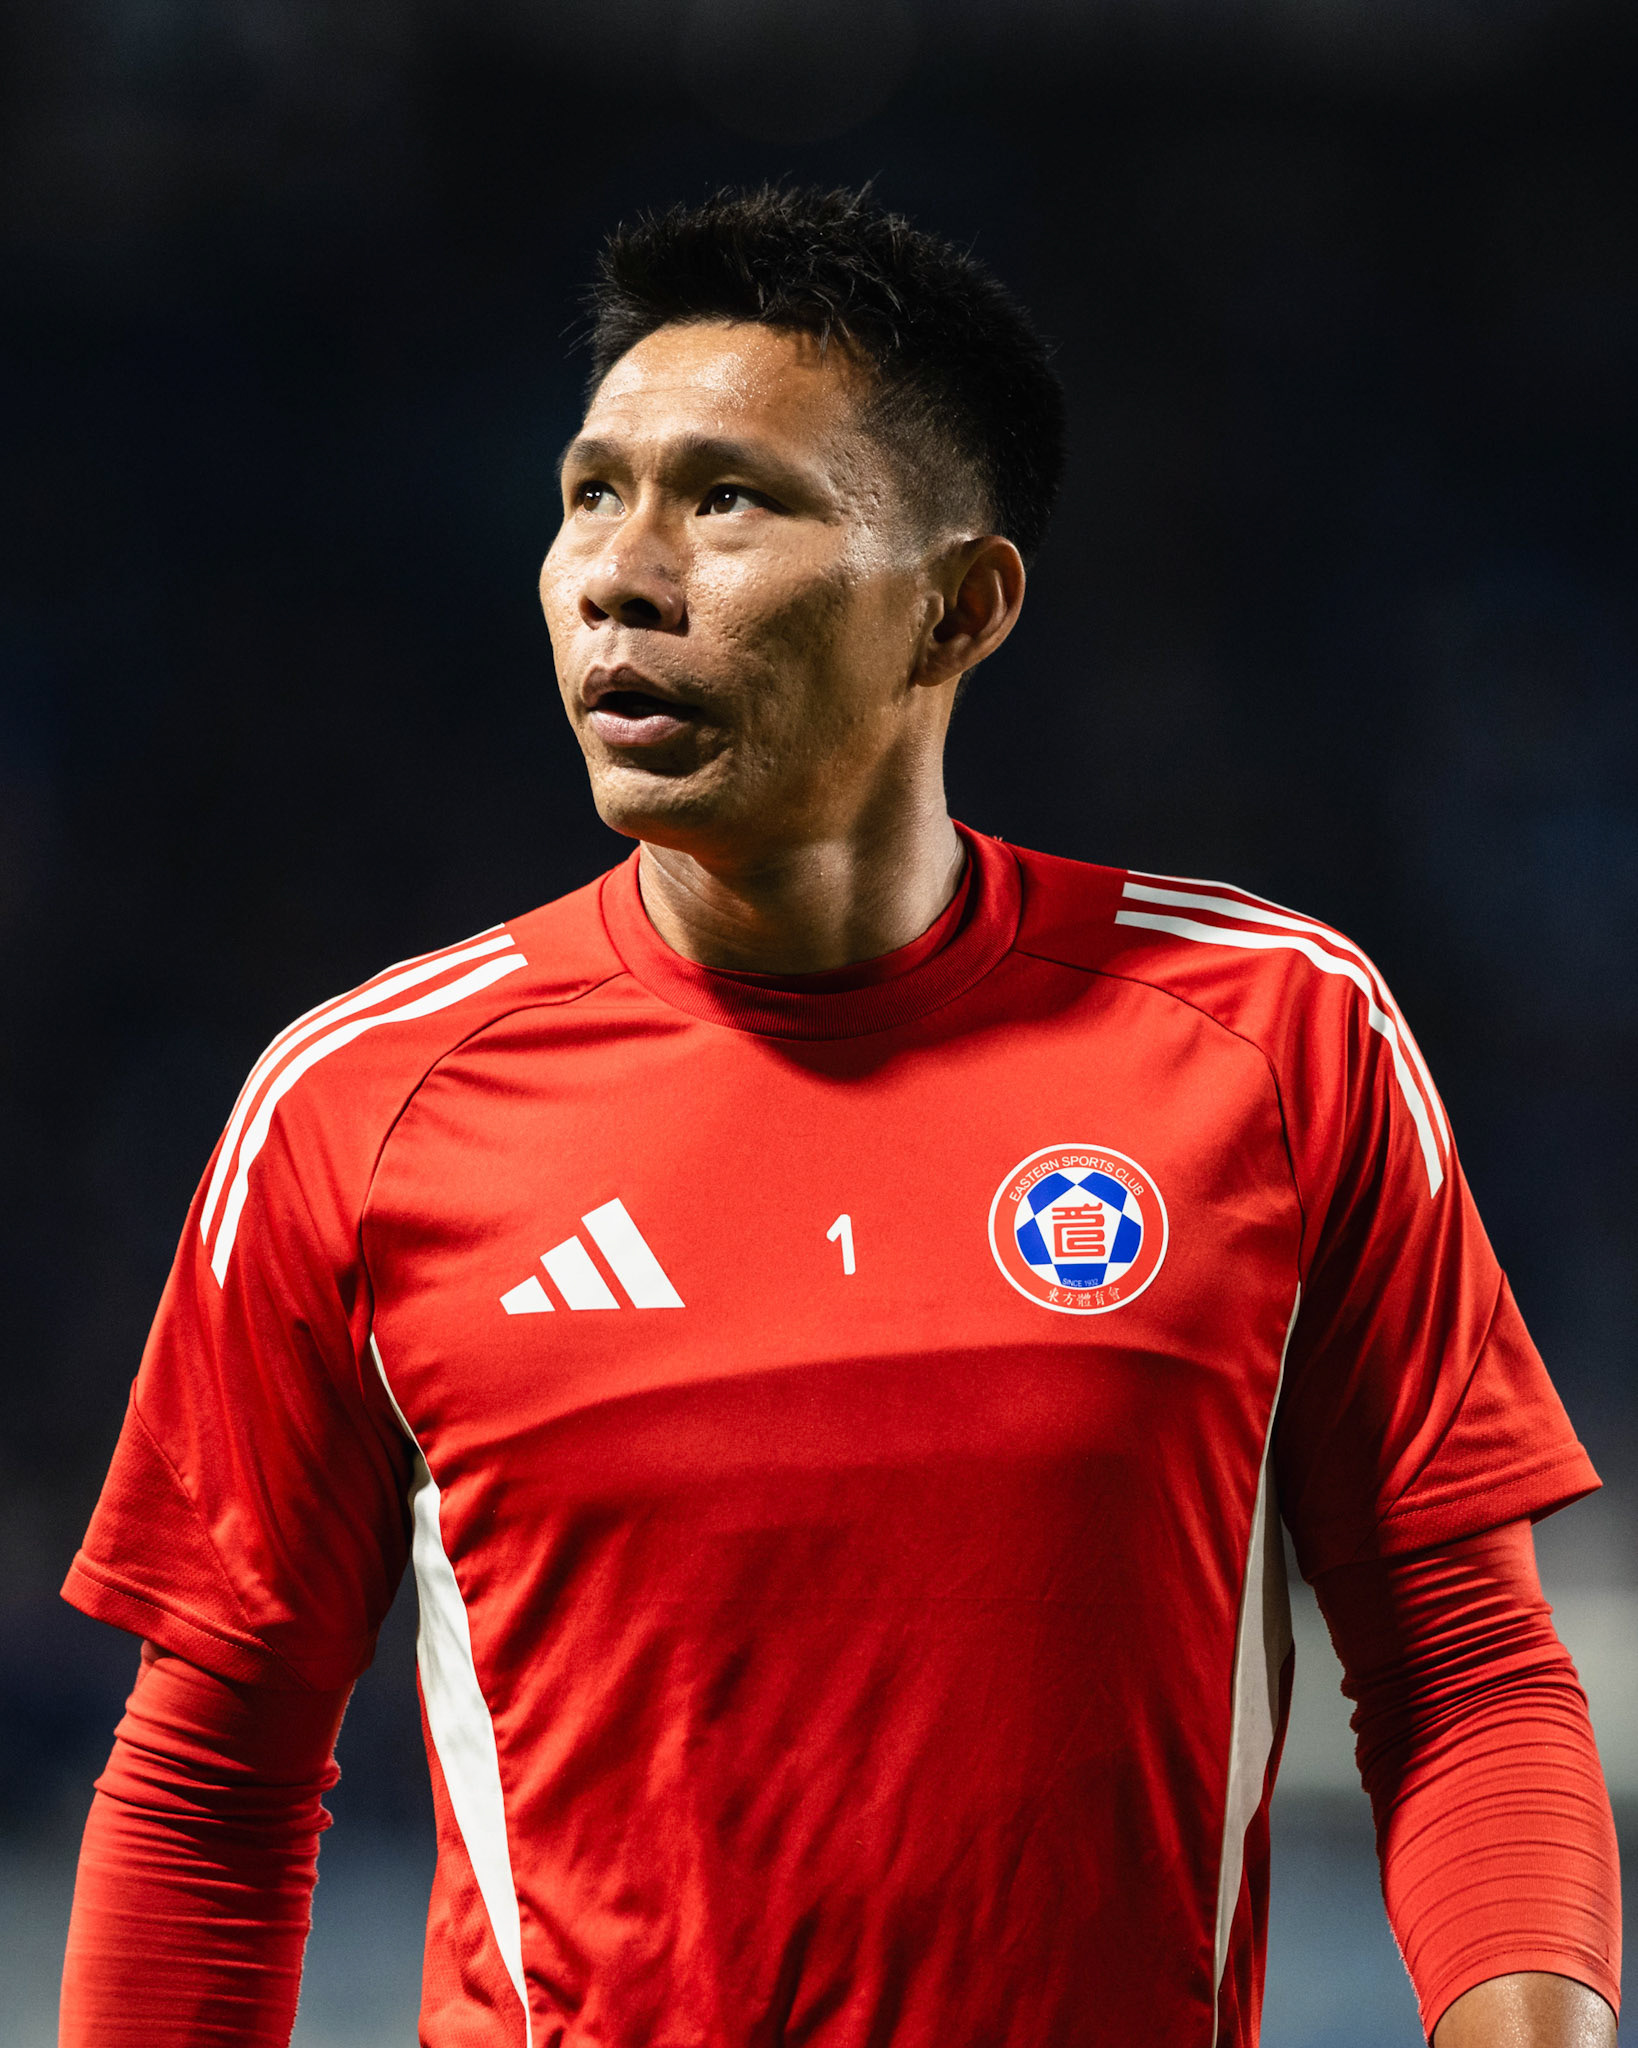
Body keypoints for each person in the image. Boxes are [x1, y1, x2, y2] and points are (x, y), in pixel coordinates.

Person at [59, 185, 1619, 2048]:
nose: (620, 571)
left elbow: (1463, 1668)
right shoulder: (358, 1103)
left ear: (956, 607)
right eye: (587, 494)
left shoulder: (1275, 1035)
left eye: (727, 498)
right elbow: (211, 1785)